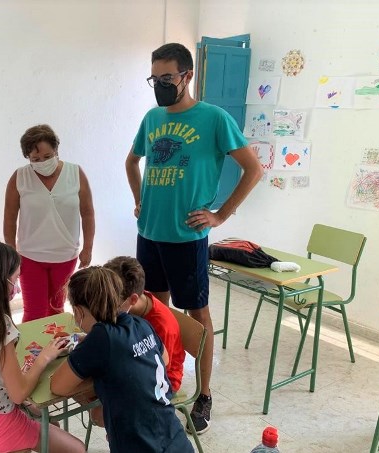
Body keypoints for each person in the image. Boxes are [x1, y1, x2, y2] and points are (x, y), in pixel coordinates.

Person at [125, 43, 263, 435]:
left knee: (196, 318)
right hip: (149, 233)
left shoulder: (214, 118)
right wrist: (139, 199)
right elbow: (131, 161)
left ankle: (204, 395)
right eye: (155, 79)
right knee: (153, 312)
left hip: (187, 237)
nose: (160, 86)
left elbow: (252, 169)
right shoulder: (152, 118)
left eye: (167, 78)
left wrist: (220, 214)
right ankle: (161, 381)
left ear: (187, 76)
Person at [0, 240, 85, 453]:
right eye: (15, 279)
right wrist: (44, 357)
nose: (17, 289)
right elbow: (19, 394)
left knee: (50, 423)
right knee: (78, 449)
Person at [50, 266, 194, 453]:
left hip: (138, 444)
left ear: (78, 311)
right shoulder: (141, 323)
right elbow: (164, 359)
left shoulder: (101, 337)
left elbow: (57, 386)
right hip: (173, 436)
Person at [4, 124, 95, 322]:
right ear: (28, 158)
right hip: (29, 257)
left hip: (65, 256)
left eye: (47, 157)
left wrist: (87, 248)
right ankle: (31, 353)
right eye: (35, 159)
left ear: (56, 151)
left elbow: (87, 213)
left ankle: (56, 351)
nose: (42, 162)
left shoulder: (75, 173)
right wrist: (10, 255)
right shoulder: (20, 177)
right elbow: (9, 219)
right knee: (34, 313)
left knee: (56, 310)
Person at [104, 256, 185, 394]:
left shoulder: (162, 326)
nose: (107, 306)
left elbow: (158, 368)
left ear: (132, 299)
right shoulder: (135, 301)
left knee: (104, 398)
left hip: (163, 380)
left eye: (111, 301)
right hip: (136, 360)